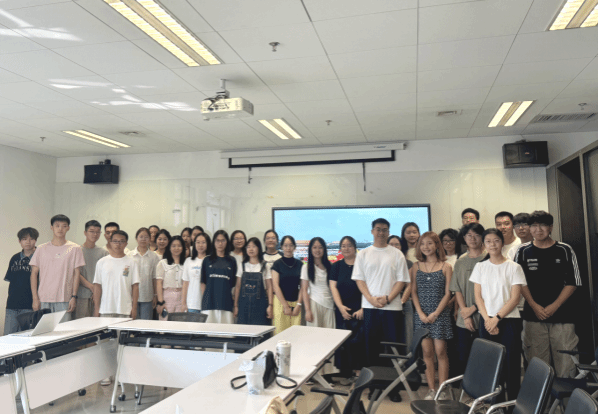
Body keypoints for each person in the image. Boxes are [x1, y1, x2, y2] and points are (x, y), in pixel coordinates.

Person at [517, 211, 581, 378]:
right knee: (537, 365)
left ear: (551, 227)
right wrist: (534, 305)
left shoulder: (565, 249)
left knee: (567, 363)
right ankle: (541, 397)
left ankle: (567, 396)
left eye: (543, 225)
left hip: (563, 316)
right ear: (530, 228)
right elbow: (518, 282)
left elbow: (573, 282)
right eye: (534, 226)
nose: (538, 229)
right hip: (533, 317)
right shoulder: (523, 251)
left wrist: (555, 305)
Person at [471, 228, 527, 400]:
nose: (492, 245)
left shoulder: (514, 267)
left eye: (496, 240)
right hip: (486, 321)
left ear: (502, 243)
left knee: (511, 364)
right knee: (490, 364)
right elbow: (478, 297)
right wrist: (487, 319)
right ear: (484, 244)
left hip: (508, 321)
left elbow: (515, 299)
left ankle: (511, 405)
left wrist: (496, 319)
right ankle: (495, 404)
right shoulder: (480, 267)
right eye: (488, 241)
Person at [352, 219, 410, 368]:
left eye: (385, 230)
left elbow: (401, 280)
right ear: (372, 231)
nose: (381, 233)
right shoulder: (363, 254)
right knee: (372, 346)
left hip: (392, 307)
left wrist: (388, 299)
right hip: (370, 307)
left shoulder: (397, 254)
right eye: (378, 229)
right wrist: (370, 299)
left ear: (388, 232)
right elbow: (359, 280)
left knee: (393, 347)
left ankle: (393, 381)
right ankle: (374, 380)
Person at [411, 232, 453, 400]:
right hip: (421, 316)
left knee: (441, 352)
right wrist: (421, 313)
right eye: (422, 244)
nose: (426, 247)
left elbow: (448, 293)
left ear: (437, 245)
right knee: (427, 353)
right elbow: (413, 292)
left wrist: (435, 313)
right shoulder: (416, 266)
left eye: (429, 243)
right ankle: (431, 389)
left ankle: (442, 389)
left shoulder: (446, 266)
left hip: (440, 315)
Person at [30, 215, 85, 322]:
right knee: (45, 331)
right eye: (57, 226)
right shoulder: (41, 248)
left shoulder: (75, 248)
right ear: (52, 227)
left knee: (64, 330)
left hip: (65, 299)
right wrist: (35, 298)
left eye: (64, 226)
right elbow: (34, 274)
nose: (60, 229)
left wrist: (74, 297)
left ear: (68, 228)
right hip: (44, 299)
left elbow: (76, 274)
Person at [449, 223, 486, 377]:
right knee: (464, 355)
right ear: (464, 238)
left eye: (476, 235)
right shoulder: (460, 261)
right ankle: (467, 388)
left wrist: (473, 309)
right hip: (464, 316)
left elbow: (491, 291)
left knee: (484, 357)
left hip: (484, 315)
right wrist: (465, 312)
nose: (473, 239)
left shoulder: (488, 258)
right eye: (469, 235)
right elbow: (456, 288)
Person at [329, 236, 365, 381]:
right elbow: (333, 287)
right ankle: (346, 373)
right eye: (343, 246)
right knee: (343, 343)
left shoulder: (362, 265)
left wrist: (363, 308)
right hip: (342, 309)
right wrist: (341, 308)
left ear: (355, 247)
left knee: (359, 342)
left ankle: (358, 374)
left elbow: (369, 287)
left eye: (349, 245)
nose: (346, 248)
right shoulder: (336, 266)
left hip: (360, 309)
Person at [93, 230, 140, 319]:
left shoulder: (132, 262)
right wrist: (96, 308)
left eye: (122, 241)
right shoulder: (102, 262)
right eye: (115, 241)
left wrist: (134, 308)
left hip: (125, 310)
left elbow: (135, 287)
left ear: (126, 244)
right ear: (110, 243)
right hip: (105, 309)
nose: (118, 244)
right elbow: (97, 286)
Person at [4, 228, 38, 335]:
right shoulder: (14, 258)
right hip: (12, 305)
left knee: (27, 337)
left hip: (30, 305)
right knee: (8, 336)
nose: (28, 242)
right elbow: (12, 281)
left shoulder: (40, 257)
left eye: (31, 239)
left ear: (36, 240)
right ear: (19, 241)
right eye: (24, 239)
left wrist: (37, 301)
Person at [234, 237, 273, 326]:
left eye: (254, 246)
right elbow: (238, 287)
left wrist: (270, 305)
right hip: (243, 306)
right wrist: (235, 306)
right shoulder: (242, 265)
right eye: (248, 247)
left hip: (260, 306)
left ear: (259, 248)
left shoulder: (265, 265)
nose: (251, 249)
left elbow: (269, 287)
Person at [200, 230, 237, 324]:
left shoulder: (232, 261)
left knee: (226, 331)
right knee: (208, 331)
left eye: (223, 240)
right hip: (209, 303)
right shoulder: (207, 260)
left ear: (227, 242)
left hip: (226, 303)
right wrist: (204, 300)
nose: (220, 243)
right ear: (214, 242)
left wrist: (235, 304)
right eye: (217, 240)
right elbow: (203, 283)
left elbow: (234, 285)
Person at [271, 236, 303, 335]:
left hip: (296, 304)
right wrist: (285, 306)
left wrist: (298, 305)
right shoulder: (277, 264)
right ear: (281, 247)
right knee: (280, 335)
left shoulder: (300, 264)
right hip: (280, 303)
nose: (288, 248)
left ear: (294, 247)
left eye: (291, 245)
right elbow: (275, 286)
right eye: (285, 245)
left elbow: (303, 287)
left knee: (295, 335)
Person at [77, 220, 109, 320]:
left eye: (97, 232)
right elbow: (75, 273)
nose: (95, 234)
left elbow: (106, 275)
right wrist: (91, 287)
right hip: (81, 296)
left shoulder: (104, 253)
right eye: (91, 231)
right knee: (81, 324)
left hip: (99, 296)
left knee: (98, 324)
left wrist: (96, 290)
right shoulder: (77, 250)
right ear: (85, 233)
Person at [128, 228, 160, 320]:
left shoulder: (154, 257)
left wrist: (155, 295)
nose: (143, 239)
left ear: (150, 239)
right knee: (132, 323)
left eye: (146, 237)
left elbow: (155, 277)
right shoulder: (129, 255)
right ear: (136, 238)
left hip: (147, 296)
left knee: (145, 324)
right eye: (141, 237)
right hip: (131, 297)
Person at [390, 234, 415, 353]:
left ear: (401, 247)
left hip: (404, 304)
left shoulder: (408, 263)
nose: (394, 247)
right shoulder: (383, 263)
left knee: (408, 336)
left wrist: (402, 301)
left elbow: (409, 285)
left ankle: (408, 362)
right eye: (391, 244)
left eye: (397, 244)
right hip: (388, 303)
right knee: (391, 336)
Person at [302, 237, 334, 329]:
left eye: (320, 247)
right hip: (314, 304)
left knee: (330, 334)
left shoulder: (330, 266)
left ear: (324, 249)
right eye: (314, 247)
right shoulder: (306, 267)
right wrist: (308, 310)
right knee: (314, 334)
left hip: (329, 304)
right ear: (310, 249)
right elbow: (304, 290)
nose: (317, 250)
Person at [156, 236, 186, 321]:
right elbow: (159, 283)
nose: (176, 248)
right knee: (165, 323)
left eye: (179, 246)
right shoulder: (162, 263)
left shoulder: (186, 263)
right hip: (167, 297)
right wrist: (160, 302)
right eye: (173, 246)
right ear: (169, 247)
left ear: (183, 248)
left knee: (180, 324)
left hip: (182, 297)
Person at [182, 233, 211, 314]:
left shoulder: (211, 261)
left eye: (203, 242)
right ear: (194, 244)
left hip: (207, 304)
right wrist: (183, 303)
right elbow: (185, 283)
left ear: (208, 244)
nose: (200, 245)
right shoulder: (188, 261)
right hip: (192, 304)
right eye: (198, 242)